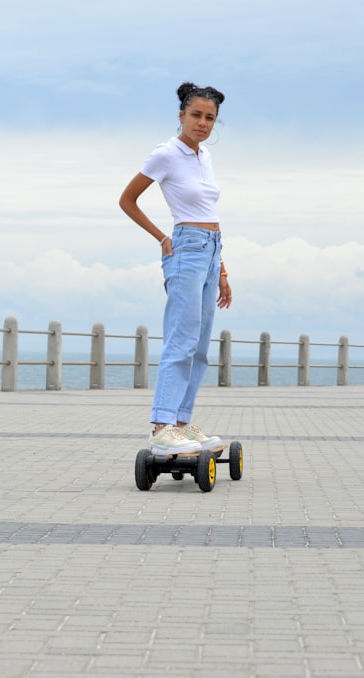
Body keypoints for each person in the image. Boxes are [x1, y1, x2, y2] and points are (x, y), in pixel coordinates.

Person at [119, 81, 233, 454]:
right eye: (196, 115)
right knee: (180, 340)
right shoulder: (166, 154)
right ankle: (162, 424)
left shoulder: (204, 157)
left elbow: (210, 213)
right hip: (185, 248)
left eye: (210, 118)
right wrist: (161, 238)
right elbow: (128, 199)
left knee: (199, 346)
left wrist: (222, 270)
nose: (202, 123)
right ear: (181, 115)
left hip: (210, 249)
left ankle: (182, 423)